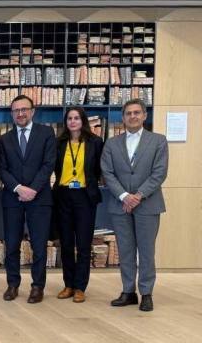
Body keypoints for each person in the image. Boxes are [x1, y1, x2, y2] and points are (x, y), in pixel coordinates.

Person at [101, 98, 168, 312]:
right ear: (123, 117)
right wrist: (123, 196)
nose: (133, 116)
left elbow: (159, 173)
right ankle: (128, 291)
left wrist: (138, 196)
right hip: (120, 205)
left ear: (144, 115)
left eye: (137, 112)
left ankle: (146, 293)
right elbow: (107, 172)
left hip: (148, 205)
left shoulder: (158, 141)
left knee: (146, 251)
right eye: (128, 113)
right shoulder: (111, 143)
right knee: (126, 250)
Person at [0, 95, 56, 304]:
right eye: (16, 111)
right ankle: (12, 284)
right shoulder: (4, 139)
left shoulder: (47, 133)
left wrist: (32, 189)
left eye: (24, 109)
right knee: (12, 244)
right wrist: (18, 188)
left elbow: (49, 164)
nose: (20, 113)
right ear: (12, 114)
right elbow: (1, 168)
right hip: (12, 198)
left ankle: (37, 286)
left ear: (33, 111)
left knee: (39, 245)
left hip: (39, 198)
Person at [53, 107, 104, 303]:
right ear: (66, 122)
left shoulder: (95, 142)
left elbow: (99, 168)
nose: (73, 121)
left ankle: (80, 286)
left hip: (85, 196)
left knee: (83, 244)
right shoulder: (59, 143)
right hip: (63, 195)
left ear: (83, 121)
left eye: (76, 118)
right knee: (65, 243)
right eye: (69, 118)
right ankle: (68, 284)